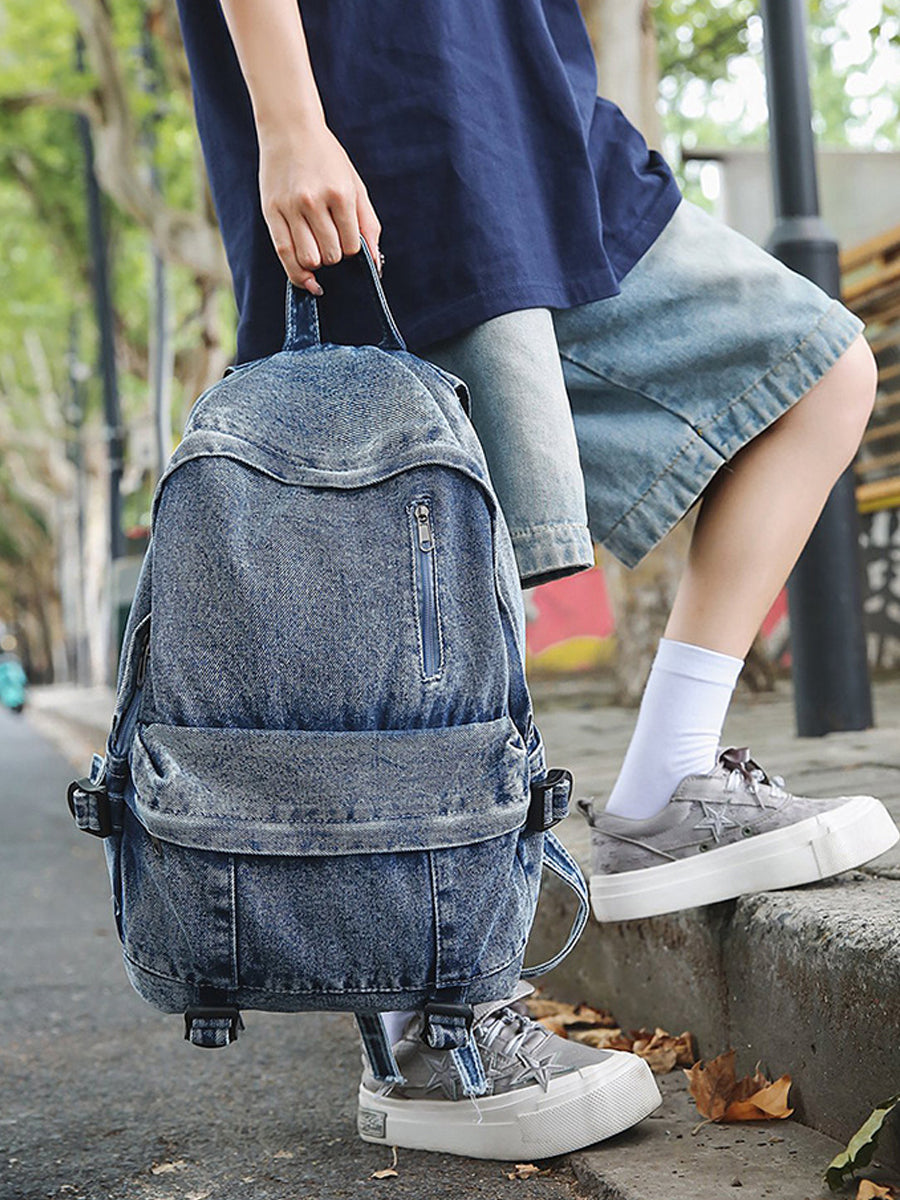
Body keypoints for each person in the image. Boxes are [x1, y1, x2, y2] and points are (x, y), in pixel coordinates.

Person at [173, 0, 899, 1158]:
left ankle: (669, 789)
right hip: (380, 106)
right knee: (424, 567)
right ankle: (428, 1022)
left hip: (534, 105)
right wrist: (292, 119)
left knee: (814, 369)